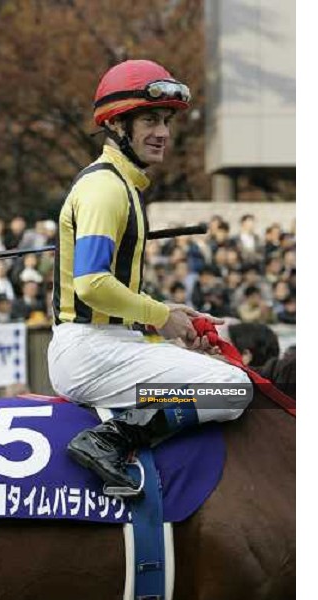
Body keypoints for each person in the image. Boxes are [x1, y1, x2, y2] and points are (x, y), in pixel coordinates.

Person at [48, 59, 252, 494]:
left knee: (216, 375)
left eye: (165, 121)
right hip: (89, 351)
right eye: (149, 120)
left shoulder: (120, 185)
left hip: (108, 342)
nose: (162, 132)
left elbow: (107, 291)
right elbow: (91, 284)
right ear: (117, 125)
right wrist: (160, 316)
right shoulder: (104, 188)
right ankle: (110, 440)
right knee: (231, 388)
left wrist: (167, 314)